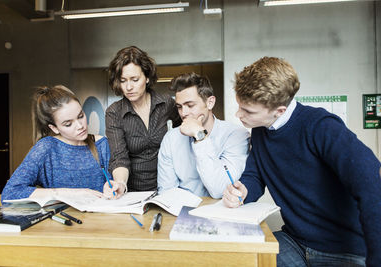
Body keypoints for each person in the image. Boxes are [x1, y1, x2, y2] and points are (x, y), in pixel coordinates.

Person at [222, 57, 381, 267]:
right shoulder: (261, 131)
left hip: (342, 250)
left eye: (248, 111)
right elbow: (255, 175)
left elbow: (371, 184)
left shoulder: (321, 127)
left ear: (279, 110)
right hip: (295, 241)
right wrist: (243, 191)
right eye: (239, 106)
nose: (238, 114)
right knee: (244, 258)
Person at [1, 85, 112, 202]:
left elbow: (115, 188)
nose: (80, 126)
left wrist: (114, 187)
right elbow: (10, 193)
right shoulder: (46, 148)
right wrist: (68, 193)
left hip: (100, 218)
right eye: (68, 124)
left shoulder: (102, 145)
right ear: (54, 128)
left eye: (81, 116)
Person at [104, 46, 181, 198]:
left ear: (147, 78)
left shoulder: (166, 104)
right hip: (133, 192)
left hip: (169, 186)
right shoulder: (114, 112)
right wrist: (120, 184)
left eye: (135, 79)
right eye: (123, 81)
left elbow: (182, 134)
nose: (129, 87)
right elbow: (119, 157)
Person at [157, 72, 249, 198]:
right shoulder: (171, 139)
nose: (183, 113)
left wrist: (200, 136)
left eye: (190, 105)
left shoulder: (236, 136)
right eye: (179, 107)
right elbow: (167, 193)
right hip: (182, 213)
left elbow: (219, 189)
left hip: (224, 212)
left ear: (210, 103)